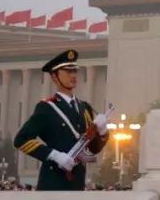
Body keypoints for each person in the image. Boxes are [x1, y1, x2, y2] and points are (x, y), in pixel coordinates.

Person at [13, 49, 108, 190]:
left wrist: (102, 131)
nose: (73, 75)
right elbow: (21, 140)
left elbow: (93, 148)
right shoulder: (47, 108)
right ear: (54, 76)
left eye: (75, 71)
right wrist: (54, 155)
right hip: (53, 181)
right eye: (68, 71)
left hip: (77, 182)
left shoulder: (84, 108)